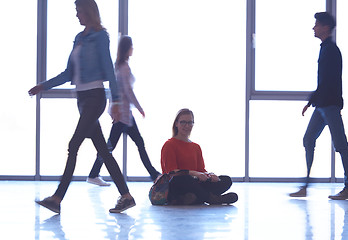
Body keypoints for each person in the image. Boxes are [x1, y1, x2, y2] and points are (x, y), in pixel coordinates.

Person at [29, 0, 135, 213]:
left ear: (89, 12)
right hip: (82, 99)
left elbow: (108, 67)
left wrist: (115, 102)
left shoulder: (100, 37)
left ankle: (57, 198)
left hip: (95, 98)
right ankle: (126, 196)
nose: (77, 15)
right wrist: (44, 85)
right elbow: (69, 73)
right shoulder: (79, 38)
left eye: (79, 11)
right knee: (104, 152)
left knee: (74, 144)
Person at [290, 12, 348, 200]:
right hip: (322, 106)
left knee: (341, 145)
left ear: (325, 27)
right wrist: (312, 102)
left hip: (329, 105)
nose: (314, 28)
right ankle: (305, 186)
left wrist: (314, 101)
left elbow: (329, 81)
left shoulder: (331, 50)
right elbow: (324, 82)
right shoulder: (325, 48)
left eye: (316, 25)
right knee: (308, 139)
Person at [87, 35, 161, 186]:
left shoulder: (119, 66)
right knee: (112, 146)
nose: (133, 48)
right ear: (127, 48)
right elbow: (128, 92)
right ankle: (93, 174)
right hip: (123, 115)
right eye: (131, 46)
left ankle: (153, 174)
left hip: (125, 114)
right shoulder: (124, 68)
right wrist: (139, 107)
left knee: (133, 144)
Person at [160, 108, 238, 205]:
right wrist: (195, 174)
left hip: (195, 184)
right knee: (184, 179)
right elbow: (171, 173)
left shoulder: (196, 147)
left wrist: (210, 175)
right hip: (177, 184)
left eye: (190, 123)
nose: (187, 126)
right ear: (176, 124)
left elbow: (201, 169)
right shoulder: (169, 145)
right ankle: (212, 199)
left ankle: (192, 198)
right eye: (183, 122)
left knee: (226, 180)